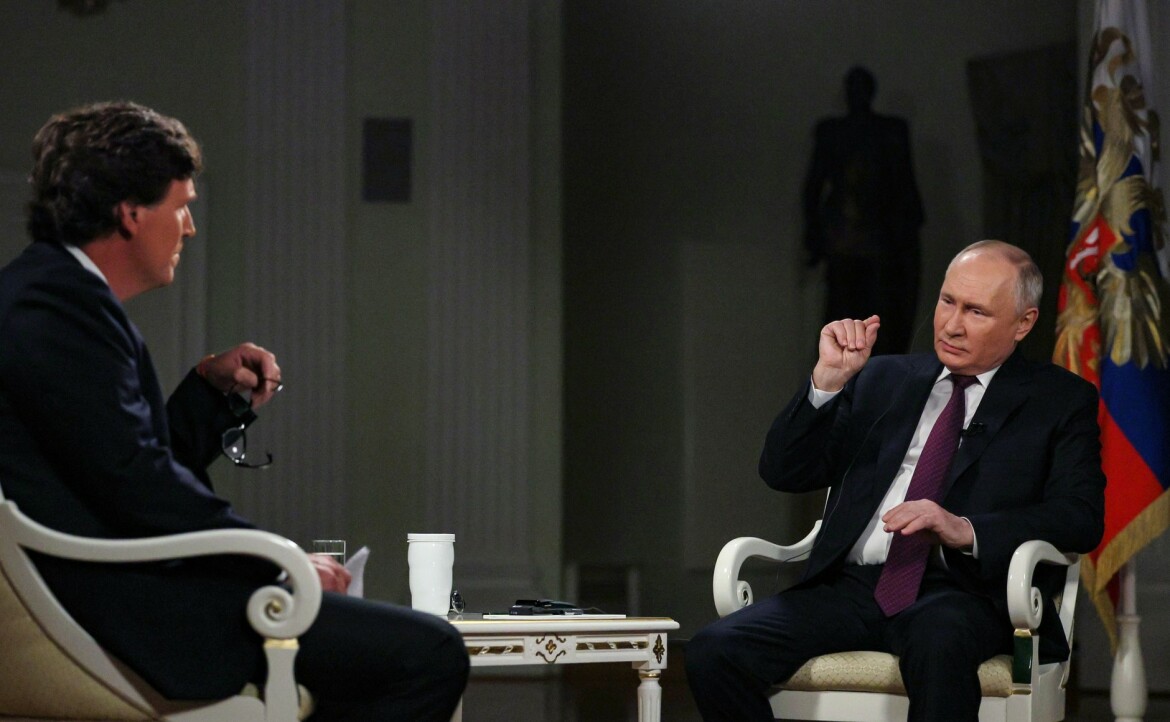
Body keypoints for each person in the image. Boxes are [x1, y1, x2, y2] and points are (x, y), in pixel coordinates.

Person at [0, 102, 468, 721]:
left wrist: (207, 391)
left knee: (380, 660)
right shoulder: (56, 304)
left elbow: (114, 460)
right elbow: (132, 480)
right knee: (432, 651)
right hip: (123, 613)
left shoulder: (54, 292)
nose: (190, 228)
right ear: (131, 213)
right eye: (180, 206)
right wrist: (276, 559)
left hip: (114, 595)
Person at [685, 240, 1105, 721]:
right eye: (947, 301)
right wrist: (826, 383)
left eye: (976, 312)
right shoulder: (881, 378)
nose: (951, 324)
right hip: (851, 588)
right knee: (714, 651)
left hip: (963, 594)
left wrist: (964, 529)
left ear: (1023, 323)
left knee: (938, 644)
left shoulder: (1058, 400)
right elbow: (784, 471)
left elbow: (1080, 517)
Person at [802, 66, 925, 356]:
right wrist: (814, 234)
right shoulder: (833, 132)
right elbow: (814, 186)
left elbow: (904, 185)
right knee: (844, 318)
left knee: (881, 321)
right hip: (846, 238)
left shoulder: (890, 131)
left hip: (878, 239)